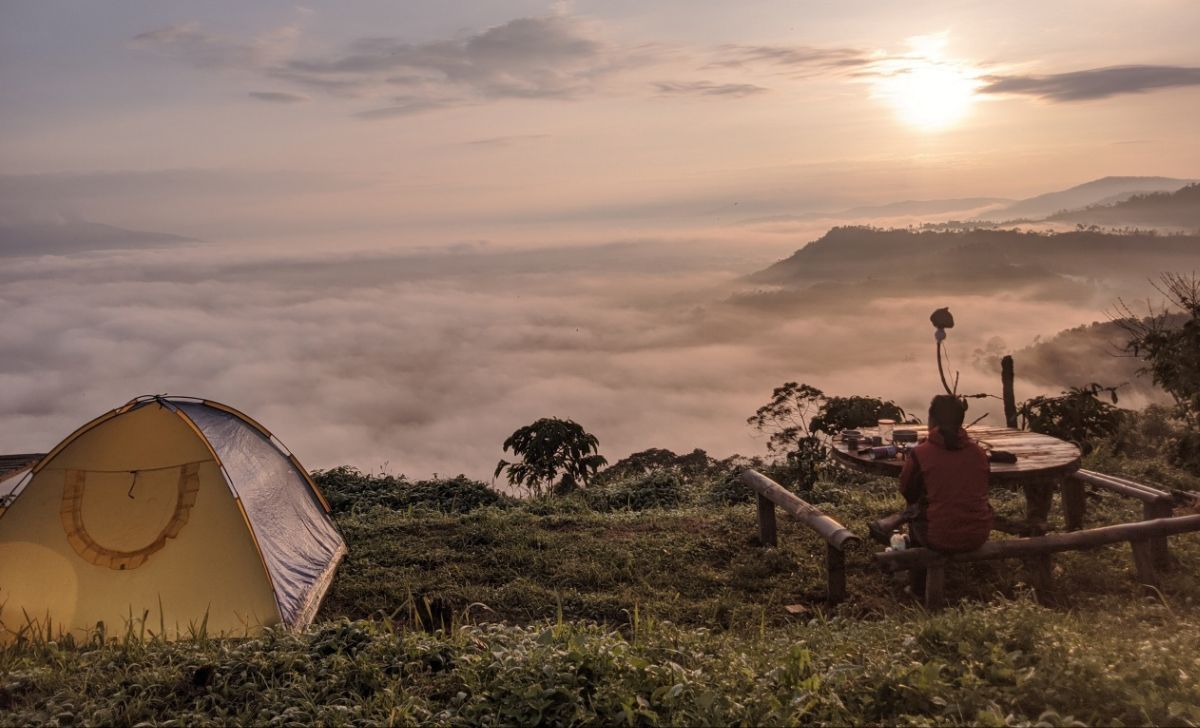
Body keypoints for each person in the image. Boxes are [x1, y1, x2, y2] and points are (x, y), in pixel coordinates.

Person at [897, 395, 993, 594]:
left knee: (914, 517)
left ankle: (918, 588)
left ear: (932, 420)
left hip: (939, 537)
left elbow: (907, 491)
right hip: (978, 534)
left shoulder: (921, 453)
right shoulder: (979, 453)